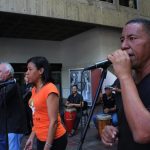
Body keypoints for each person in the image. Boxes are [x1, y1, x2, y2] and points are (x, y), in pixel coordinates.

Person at [101, 18, 150, 150]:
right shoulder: (124, 82)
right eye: (122, 40)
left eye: (132, 38)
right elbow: (129, 122)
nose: (123, 46)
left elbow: (143, 133)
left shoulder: (125, 78)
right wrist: (115, 130)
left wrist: (124, 75)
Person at [24, 56, 67, 150]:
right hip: (40, 138)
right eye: (27, 69)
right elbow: (37, 116)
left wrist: (47, 146)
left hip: (54, 140)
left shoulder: (50, 89)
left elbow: (54, 121)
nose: (27, 72)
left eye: (30, 69)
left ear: (41, 71)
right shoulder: (34, 90)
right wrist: (31, 137)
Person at [0, 62, 27, 150]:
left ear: (7, 72)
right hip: (6, 127)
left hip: (13, 128)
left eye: (0, 71)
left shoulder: (12, 85)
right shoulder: (6, 85)